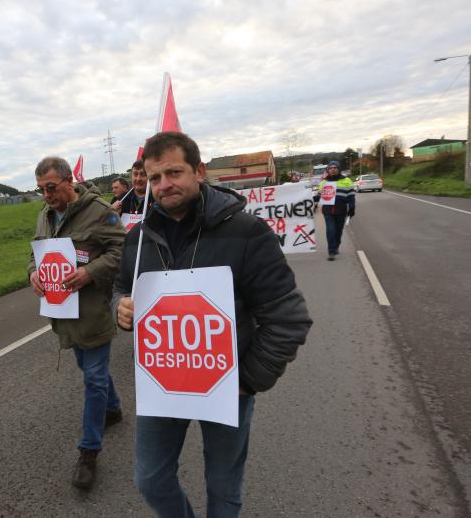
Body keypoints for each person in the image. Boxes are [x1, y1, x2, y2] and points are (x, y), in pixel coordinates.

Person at [113, 132, 312, 517]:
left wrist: (246, 380)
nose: (163, 185)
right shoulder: (137, 238)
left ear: (199, 171)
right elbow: (122, 287)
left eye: (174, 172)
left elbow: (289, 319)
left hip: (228, 388)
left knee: (223, 488)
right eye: (154, 178)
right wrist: (119, 309)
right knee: (150, 479)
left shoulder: (247, 232)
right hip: (163, 384)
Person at [28, 156, 126, 490]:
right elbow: (35, 253)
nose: (46, 195)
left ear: (70, 181)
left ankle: (89, 452)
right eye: (40, 189)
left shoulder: (100, 211)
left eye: (51, 187)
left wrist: (90, 271)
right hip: (64, 313)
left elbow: (121, 249)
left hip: (93, 311)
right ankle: (113, 409)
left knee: (94, 379)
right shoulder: (44, 215)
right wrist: (32, 273)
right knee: (88, 368)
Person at [314, 161, 355, 260]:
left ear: (338, 169)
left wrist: (352, 207)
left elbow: (351, 196)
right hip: (327, 211)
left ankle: (336, 245)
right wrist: (312, 200)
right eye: (330, 168)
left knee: (338, 231)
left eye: (335, 167)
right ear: (328, 170)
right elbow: (319, 196)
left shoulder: (347, 181)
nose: (333, 169)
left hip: (341, 210)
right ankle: (331, 251)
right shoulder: (324, 182)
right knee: (330, 230)